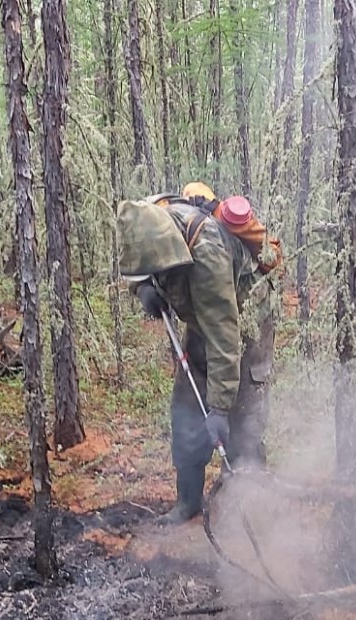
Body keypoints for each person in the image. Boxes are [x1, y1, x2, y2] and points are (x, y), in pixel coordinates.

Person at [116, 183, 279, 524]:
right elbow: (137, 260)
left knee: (241, 411)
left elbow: (225, 338)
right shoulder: (144, 215)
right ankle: (187, 502)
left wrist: (219, 408)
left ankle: (246, 504)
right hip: (205, 317)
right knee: (188, 406)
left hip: (245, 319)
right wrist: (144, 287)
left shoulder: (206, 257)